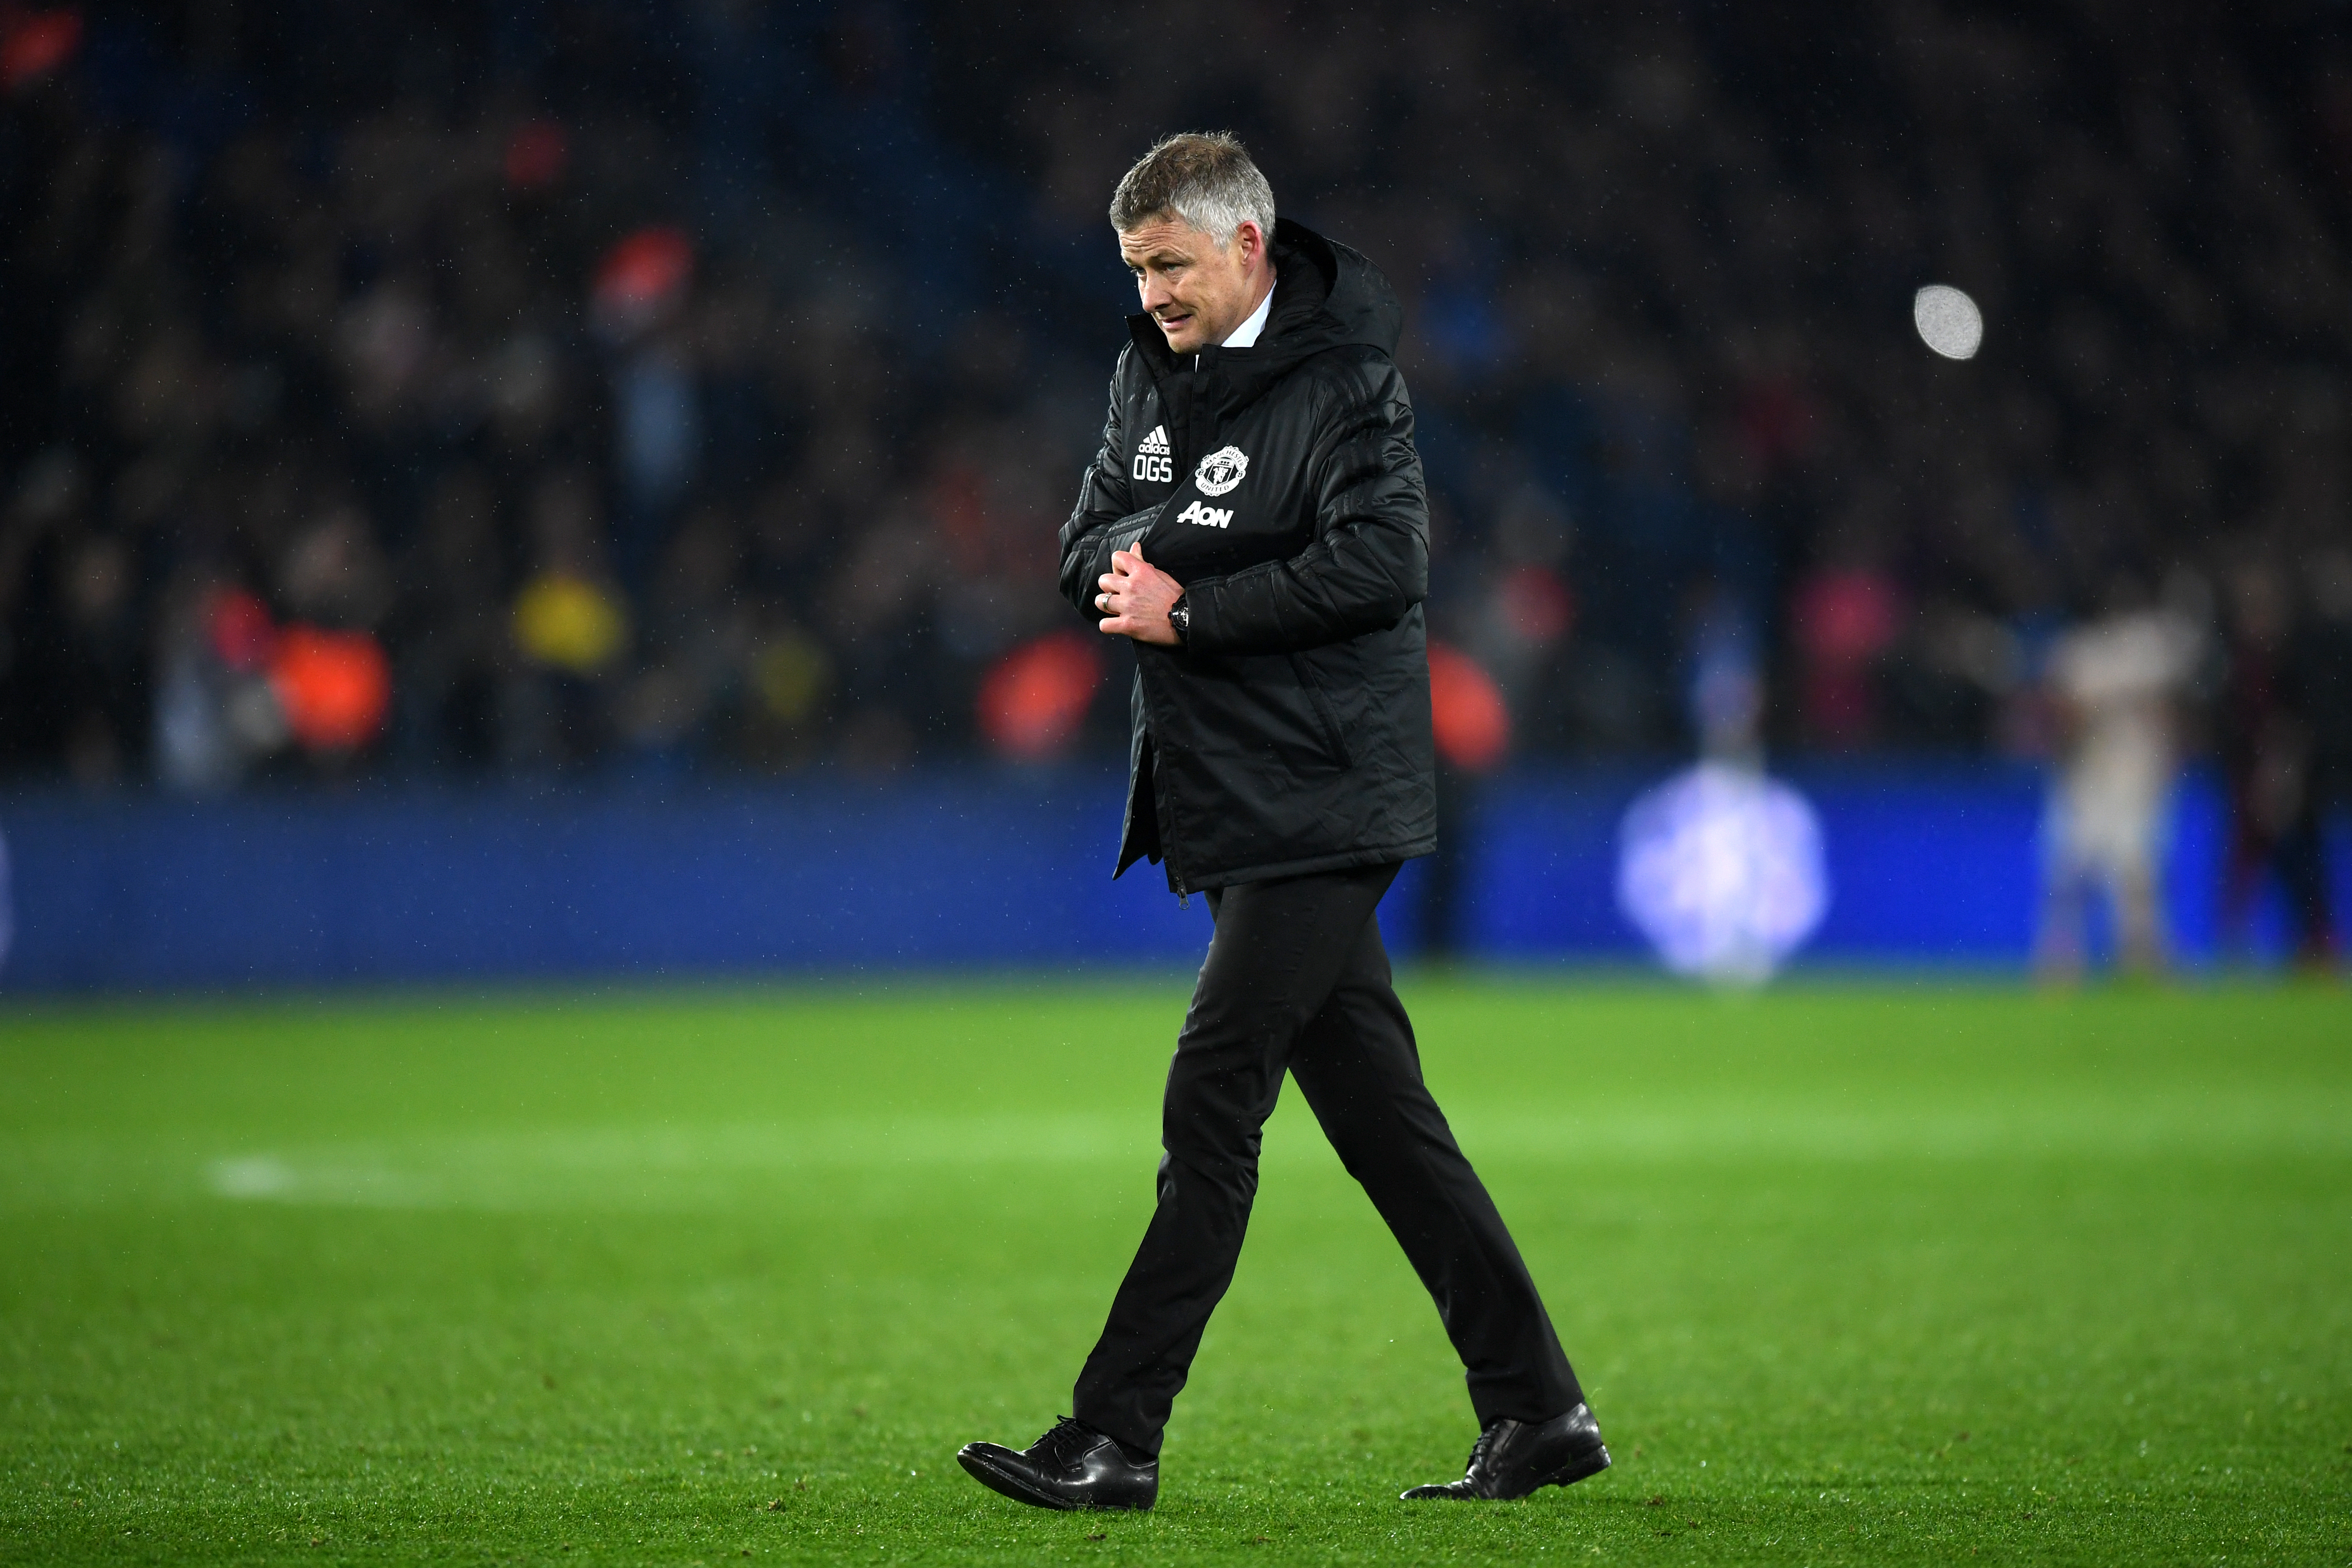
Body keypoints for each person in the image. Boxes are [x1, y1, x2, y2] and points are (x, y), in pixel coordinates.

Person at [954, 133, 1605, 1512]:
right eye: (1135, 269)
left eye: (1170, 265)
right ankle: (1537, 1406)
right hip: (1225, 787)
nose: (1150, 296)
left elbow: (1379, 563)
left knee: (1212, 1087)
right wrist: (1142, 569)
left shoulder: (1348, 382)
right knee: (1382, 1124)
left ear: (1246, 246)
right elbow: (1088, 540)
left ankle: (1111, 1432)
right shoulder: (1146, 373)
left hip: (1328, 783)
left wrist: (1185, 599)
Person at [2035, 581, 2202, 978]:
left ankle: (2143, 956)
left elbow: (2172, 713)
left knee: (2138, 870)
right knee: (2070, 868)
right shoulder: (2078, 652)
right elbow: (2059, 719)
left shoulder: (2149, 646)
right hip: (2088, 776)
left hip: (2137, 775)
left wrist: (2169, 759)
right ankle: (2060, 959)